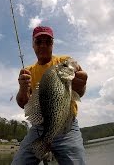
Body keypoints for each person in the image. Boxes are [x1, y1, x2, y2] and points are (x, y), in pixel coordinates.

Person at [12, 26, 88, 165]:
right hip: (39, 128)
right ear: (33, 44)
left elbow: (79, 93)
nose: (43, 45)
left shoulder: (63, 62)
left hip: (67, 126)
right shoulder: (28, 71)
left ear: (53, 43)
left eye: (48, 41)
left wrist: (81, 85)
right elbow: (23, 103)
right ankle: (44, 144)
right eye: (39, 41)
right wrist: (23, 89)